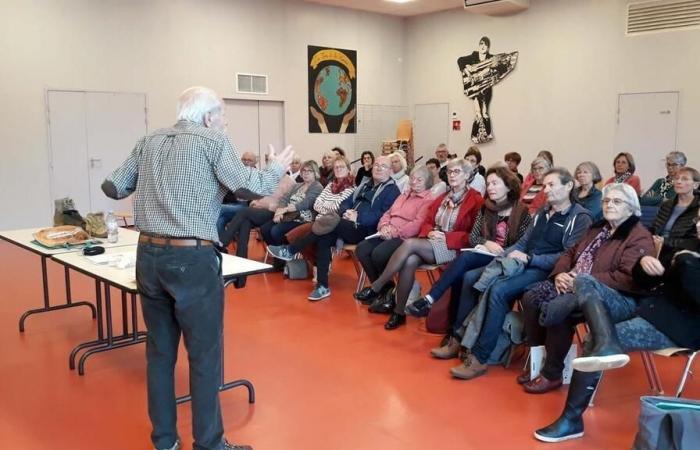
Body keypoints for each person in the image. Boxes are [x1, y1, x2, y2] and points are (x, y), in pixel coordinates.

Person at [101, 86, 294, 450]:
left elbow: (112, 186)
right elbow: (248, 188)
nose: (225, 123)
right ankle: (208, 444)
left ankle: (165, 442)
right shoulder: (212, 142)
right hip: (192, 258)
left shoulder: (148, 140)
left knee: (159, 354)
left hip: (149, 255)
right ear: (208, 117)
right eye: (223, 115)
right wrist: (276, 169)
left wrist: (160, 186)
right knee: (204, 356)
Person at [534, 213, 700, 443]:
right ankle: (606, 342)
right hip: (648, 308)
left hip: (677, 327)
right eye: (698, 219)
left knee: (593, 341)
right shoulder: (691, 245)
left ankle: (571, 419)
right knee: (583, 279)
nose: (697, 224)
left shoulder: (688, 255)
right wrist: (644, 267)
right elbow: (652, 282)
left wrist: (688, 264)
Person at [449, 168, 593, 380]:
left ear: (569, 186)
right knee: (472, 277)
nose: (546, 190)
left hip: (546, 270)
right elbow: (524, 242)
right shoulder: (543, 212)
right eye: (544, 185)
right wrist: (504, 255)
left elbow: (569, 256)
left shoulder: (580, 217)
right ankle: (459, 340)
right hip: (524, 262)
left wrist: (531, 259)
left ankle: (480, 357)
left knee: (498, 289)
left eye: (552, 185)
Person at [520, 183, 653, 394]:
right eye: (607, 201)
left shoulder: (638, 236)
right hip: (574, 281)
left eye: (617, 201)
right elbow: (570, 253)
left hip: (609, 294)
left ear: (631, 208)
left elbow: (626, 278)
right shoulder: (599, 228)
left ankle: (551, 373)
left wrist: (581, 280)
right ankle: (538, 359)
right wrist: (560, 275)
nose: (609, 205)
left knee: (559, 308)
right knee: (530, 297)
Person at [408, 166, 531, 357]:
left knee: (466, 274)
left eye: (495, 183)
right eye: (488, 183)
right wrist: (487, 243)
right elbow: (473, 237)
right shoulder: (487, 207)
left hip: (506, 259)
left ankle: (447, 323)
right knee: (462, 267)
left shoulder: (521, 212)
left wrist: (503, 251)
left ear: (508, 186)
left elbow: (522, 244)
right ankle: (455, 335)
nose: (490, 187)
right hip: (484, 253)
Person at [354, 159, 484, 330]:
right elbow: (428, 221)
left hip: (453, 248)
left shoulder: (476, 200)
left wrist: (446, 237)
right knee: (409, 261)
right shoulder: (444, 197)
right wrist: (430, 231)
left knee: (409, 244)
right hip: (431, 243)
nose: (452, 175)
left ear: (467, 175)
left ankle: (377, 286)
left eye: (457, 172)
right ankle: (399, 313)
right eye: (450, 172)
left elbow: (473, 236)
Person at [268, 155, 399, 301]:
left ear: (390, 171)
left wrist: (358, 217)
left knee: (332, 220)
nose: (378, 168)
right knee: (324, 238)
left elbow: (382, 215)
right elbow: (345, 203)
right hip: (347, 223)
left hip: (367, 229)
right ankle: (322, 286)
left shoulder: (392, 190)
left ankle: (291, 250)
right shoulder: (365, 185)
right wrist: (346, 212)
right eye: (376, 165)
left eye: (383, 166)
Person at [354, 165, 436, 296]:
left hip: (405, 238)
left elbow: (417, 224)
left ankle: (379, 290)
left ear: (427, 182)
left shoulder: (428, 199)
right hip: (387, 232)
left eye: (419, 180)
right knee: (361, 250)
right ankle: (385, 290)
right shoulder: (404, 194)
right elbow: (388, 213)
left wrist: (394, 233)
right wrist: (384, 227)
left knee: (378, 254)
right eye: (412, 178)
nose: (414, 182)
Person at [259, 160, 324, 248]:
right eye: (304, 171)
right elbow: (284, 199)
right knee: (264, 229)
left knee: (276, 231)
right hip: (288, 216)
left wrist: (285, 210)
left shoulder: (317, 187)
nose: (306, 173)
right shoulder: (297, 185)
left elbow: (306, 203)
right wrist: (278, 213)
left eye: (309, 171)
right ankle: (277, 255)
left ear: (315, 173)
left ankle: (284, 254)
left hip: (303, 219)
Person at [649, 166, 700, 265]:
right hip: (656, 246)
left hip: (678, 251)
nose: (678, 181)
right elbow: (654, 227)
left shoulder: (698, 208)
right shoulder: (667, 204)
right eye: (676, 178)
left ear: (696, 185)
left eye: (684, 179)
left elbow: (693, 241)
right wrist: (650, 237)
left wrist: (665, 242)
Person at [458, 36, 494, 143]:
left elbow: (499, 63)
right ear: (479, 45)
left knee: (485, 113)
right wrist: (466, 70)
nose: (484, 47)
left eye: (486, 45)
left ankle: (488, 134)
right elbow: (460, 60)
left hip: (487, 88)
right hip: (475, 89)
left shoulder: (490, 58)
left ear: (488, 48)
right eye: (482, 44)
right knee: (478, 113)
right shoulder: (472, 56)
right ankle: (474, 135)